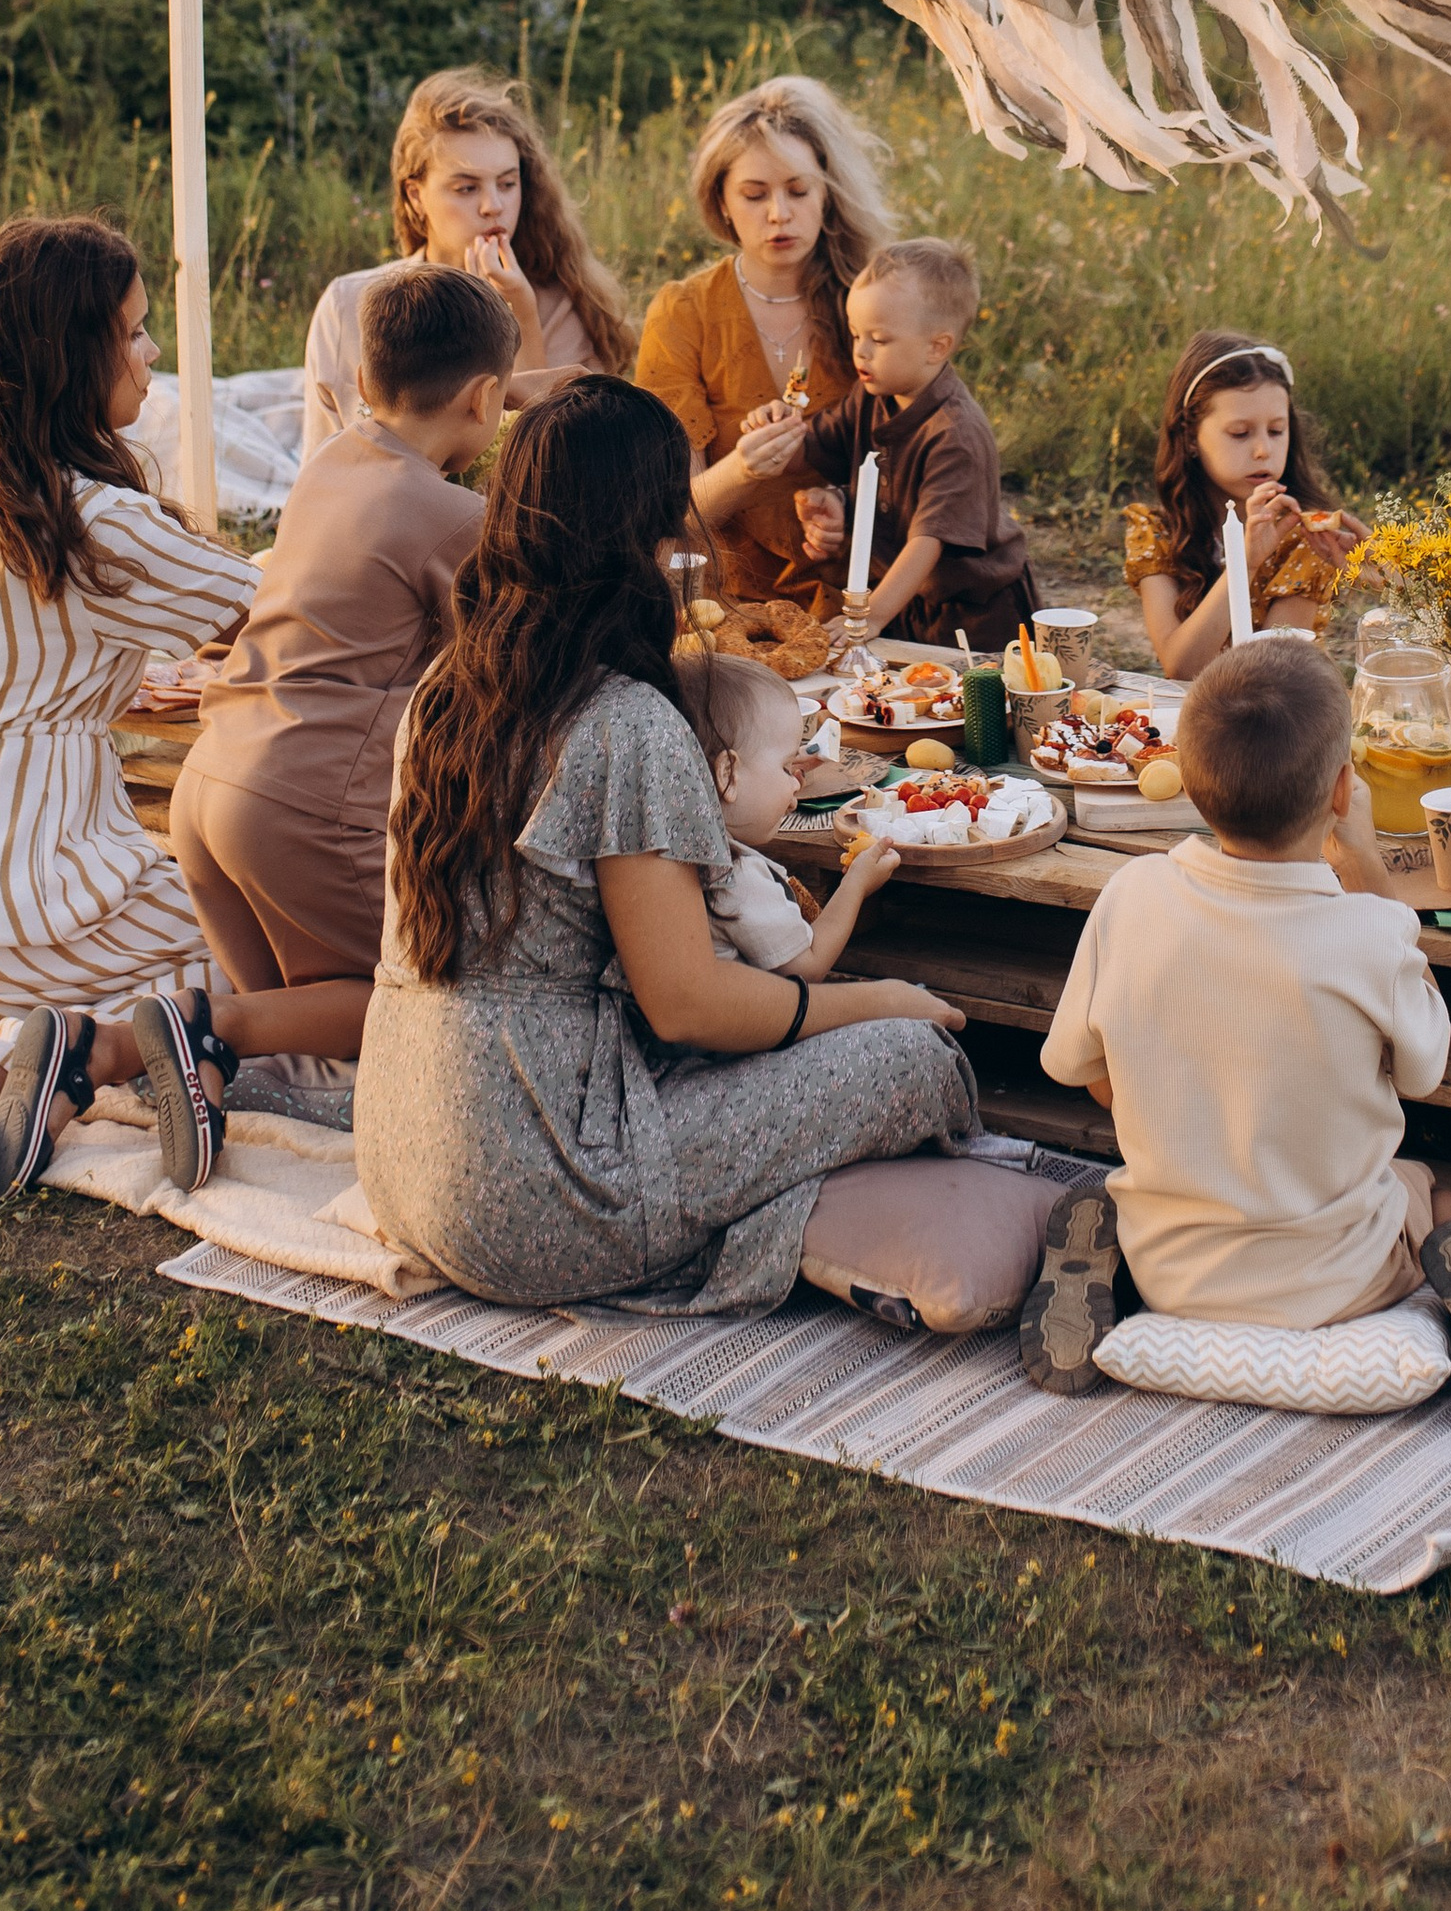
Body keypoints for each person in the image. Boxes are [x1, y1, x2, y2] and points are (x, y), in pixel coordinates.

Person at [352, 370, 976, 1310]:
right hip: (540, 1190)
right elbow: (686, 1005)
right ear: (644, 530)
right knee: (916, 1057)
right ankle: (817, 1231)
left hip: (399, 1157)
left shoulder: (447, 687)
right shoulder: (624, 724)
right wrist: (872, 1001)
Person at [0, 216, 374, 1202]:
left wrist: (55, 680)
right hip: (29, 886)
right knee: (301, 974)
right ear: (72, 354)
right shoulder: (106, 522)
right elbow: (295, 615)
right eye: (132, 332)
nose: (152, 351)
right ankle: (83, 1057)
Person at [1022, 640, 1451, 1440]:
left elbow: (1074, 1064)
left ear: (1182, 769)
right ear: (1343, 789)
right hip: (1338, 1282)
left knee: (1131, 1108)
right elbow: (1426, 1070)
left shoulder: (1130, 895)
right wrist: (1376, 877)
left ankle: (1110, 1243)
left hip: (1172, 1268)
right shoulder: (1369, 934)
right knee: (1425, 1188)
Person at [173, 265, 518, 1002]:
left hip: (206, 785)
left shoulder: (333, 459)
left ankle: (201, 1061)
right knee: (406, 1003)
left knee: (286, 1016)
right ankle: (122, 1046)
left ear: (363, 380)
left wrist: (514, 387)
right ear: (487, 398)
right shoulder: (451, 518)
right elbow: (516, 656)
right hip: (301, 802)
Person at [633, 74, 895, 602]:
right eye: (754, 195)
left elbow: (923, 465)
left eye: (798, 191)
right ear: (722, 204)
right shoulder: (684, 312)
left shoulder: (873, 301)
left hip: (865, 595)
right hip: (724, 604)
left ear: (828, 196)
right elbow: (674, 511)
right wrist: (744, 470)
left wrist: (843, 507)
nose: (779, 213)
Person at [301, 71, 629, 462]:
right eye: (467, 188)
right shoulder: (348, 304)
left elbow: (556, 468)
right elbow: (324, 461)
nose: (493, 206)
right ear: (416, 195)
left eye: (507, 184)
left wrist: (519, 316)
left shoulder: (561, 306)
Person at [790, 239, 1040, 648]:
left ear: (936, 347)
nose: (861, 352)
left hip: (976, 613)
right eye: (856, 335)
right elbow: (812, 445)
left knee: (972, 703)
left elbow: (928, 543)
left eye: (879, 340)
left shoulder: (955, 435)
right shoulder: (870, 396)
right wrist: (776, 432)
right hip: (904, 599)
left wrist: (866, 616)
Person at [1126, 332, 1365, 682]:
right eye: (1240, 433)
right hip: (1196, 714)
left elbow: (1266, 676)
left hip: (1282, 718)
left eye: (1276, 430)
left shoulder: (1304, 537)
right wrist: (1244, 561)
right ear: (1190, 438)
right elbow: (1180, 666)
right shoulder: (1157, 530)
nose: (1263, 450)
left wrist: (1250, 561)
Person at [682, 648, 904, 980]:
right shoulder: (737, 878)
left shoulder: (680, 854)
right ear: (728, 775)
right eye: (787, 767)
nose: (796, 783)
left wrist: (779, 766)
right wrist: (857, 883)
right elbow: (807, 966)